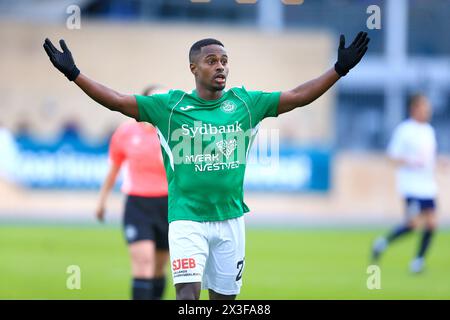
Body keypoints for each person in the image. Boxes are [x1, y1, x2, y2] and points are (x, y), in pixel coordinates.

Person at [43, 32, 370, 300]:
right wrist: (74, 74)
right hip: (187, 220)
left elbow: (298, 96)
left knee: (224, 302)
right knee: (187, 297)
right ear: (193, 68)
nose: (220, 67)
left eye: (225, 61)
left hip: (231, 221)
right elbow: (116, 100)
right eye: (211, 61)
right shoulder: (169, 107)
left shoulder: (246, 103)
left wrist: (338, 70)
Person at [96, 86, 169, 300]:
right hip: (138, 205)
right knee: (143, 264)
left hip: (168, 205)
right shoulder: (126, 132)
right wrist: (102, 201)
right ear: (144, 102)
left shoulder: (174, 131)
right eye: (156, 99)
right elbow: (114, 169)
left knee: (158, 268)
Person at [371, 94, 438, 274]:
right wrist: (409, 160)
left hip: (427, 186)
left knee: (432, 223)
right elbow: (391, 156)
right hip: (411, 186)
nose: (428, 110)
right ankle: (382, 243)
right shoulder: (405, 130)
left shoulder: (429, 131)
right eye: (424, 106)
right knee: (413, 224)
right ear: (414, 108)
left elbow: (428, 159)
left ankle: (418, 262)